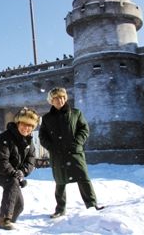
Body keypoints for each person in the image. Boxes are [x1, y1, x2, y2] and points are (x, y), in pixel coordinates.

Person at [39, 87, 104, 219]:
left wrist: (77, 142)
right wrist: (51, 147)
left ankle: (91, 204)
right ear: (51, 101)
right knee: (60, 182)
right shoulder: (46, 118)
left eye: (62, 97)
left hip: (74, 152)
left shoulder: (76, 113)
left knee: (83, 178)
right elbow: (42, 136)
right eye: (56, 98)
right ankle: (60, 209)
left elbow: (84, 129)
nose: (60, 100)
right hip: (57, 154)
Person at [0, 107, 39, 230]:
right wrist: (15, 174)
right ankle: (4, 220)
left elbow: (30, 162)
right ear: (18, 123)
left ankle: (10, 219)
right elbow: (1, 162)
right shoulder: (4, 138)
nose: (26, 128)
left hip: (13, 173)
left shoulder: (30, 143)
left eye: (30, 126)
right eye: (24, 124)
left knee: (19, 206)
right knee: (11, 182)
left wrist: (22, 172)